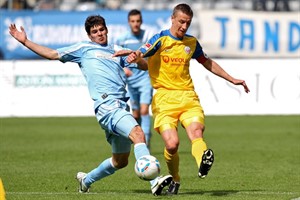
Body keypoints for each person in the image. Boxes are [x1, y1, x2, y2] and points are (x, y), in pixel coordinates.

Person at [8, 15, 172, 196]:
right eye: (94, 32)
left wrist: (135, 56)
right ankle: (155, 182)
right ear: (89, 35)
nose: (99, 33)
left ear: (106, 30)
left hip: (120, 107)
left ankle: (86, 180)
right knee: (138, 133)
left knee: (120, 161)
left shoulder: (117, 50)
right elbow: (53, 54)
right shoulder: (83, 49)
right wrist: (25, 42)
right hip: (106, 106)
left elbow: (144, 66)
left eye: (101, 29)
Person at [115, 3, 250, 195]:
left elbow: (207, 62)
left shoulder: (191, 43)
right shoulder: (161, 39)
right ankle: (175, 178)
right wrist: (135, 55)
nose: (184, 27)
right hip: (164, 99)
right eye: (181, 22)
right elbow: (143, 50)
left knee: (196, 132)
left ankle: (203, 162)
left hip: (188, 97)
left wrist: (232, 79)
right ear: (172, 18)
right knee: (172, 144)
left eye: (188, 23)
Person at [115, 9, 153, 150]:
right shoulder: (122, 39)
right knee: (135, 113)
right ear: (129, 22)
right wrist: (125, 69)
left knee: (144, 111)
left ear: (141, 22)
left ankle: (146, 141)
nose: (135, 24)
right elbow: (116, 57)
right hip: (130, 81)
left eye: (138, 21)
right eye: (133, 21)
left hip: (145, 79)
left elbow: (152, 53)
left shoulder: (148, 36)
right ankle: (138, 138)